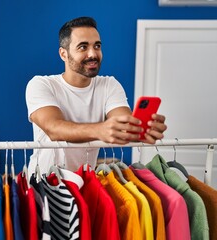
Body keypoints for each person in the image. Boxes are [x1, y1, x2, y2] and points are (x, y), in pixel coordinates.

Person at [25, 16, 167, 176]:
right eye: (83, 47)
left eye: (97, 46)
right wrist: (100, 130)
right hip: (44, 184)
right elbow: (54, 129)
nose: (92, 54)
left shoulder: (109, 85)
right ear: (63, 54)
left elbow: (123, 127)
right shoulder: (41, 84)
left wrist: (141, 131)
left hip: (85, 184)